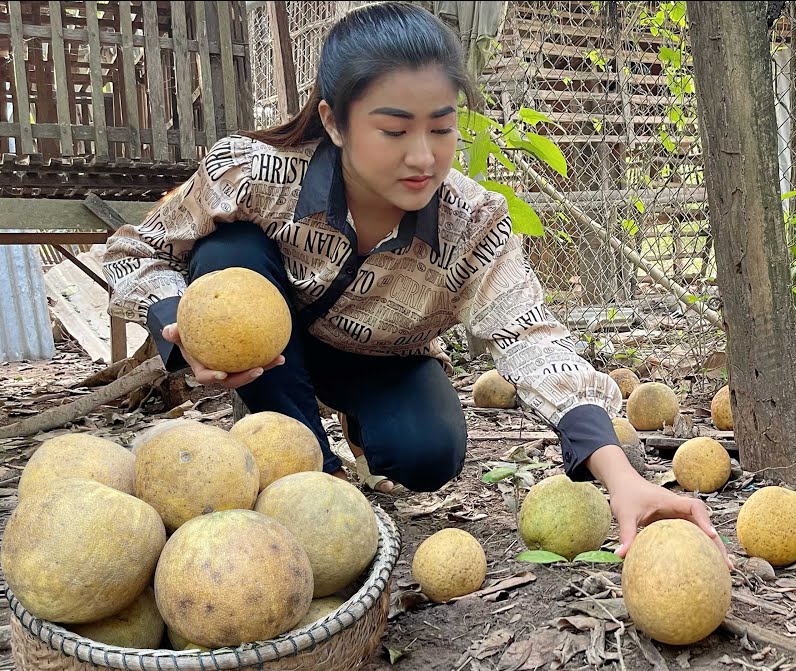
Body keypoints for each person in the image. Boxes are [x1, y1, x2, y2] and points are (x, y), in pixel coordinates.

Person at [101, 1, 728, 566]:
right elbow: (131, 252)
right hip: (271, 351)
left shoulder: (471, 222)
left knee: (429, 454)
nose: (424, 156)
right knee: (228, 255)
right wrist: (181, 326)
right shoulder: (251, 172)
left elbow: (533, 336)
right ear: (336, 121)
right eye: (395, 130)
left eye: (442, 126)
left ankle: (356, 425)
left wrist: (620, 475)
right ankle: (307, 468)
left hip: (380, 359)